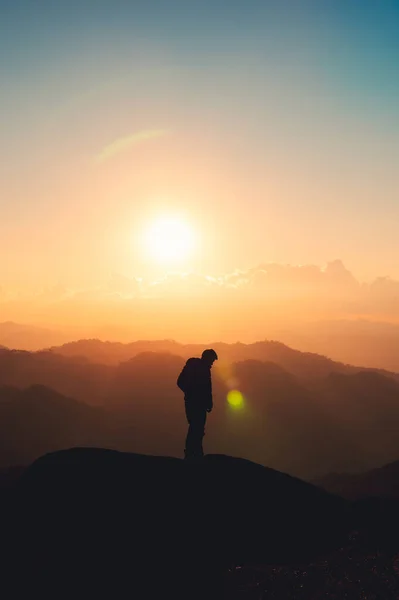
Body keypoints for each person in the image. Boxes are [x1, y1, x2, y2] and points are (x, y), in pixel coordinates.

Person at [177, 348, 218, 459]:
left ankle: (194, 453)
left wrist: (208, 402)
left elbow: (206, 389)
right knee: (196, 428)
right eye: (212, 360)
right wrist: (192, 394)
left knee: (196, 428)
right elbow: (181, 382)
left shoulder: (201, 368)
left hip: (196, 403)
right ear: (207, 358)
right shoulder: (200, 369)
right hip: (195, 404)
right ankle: (193, 454)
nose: (212, 364)